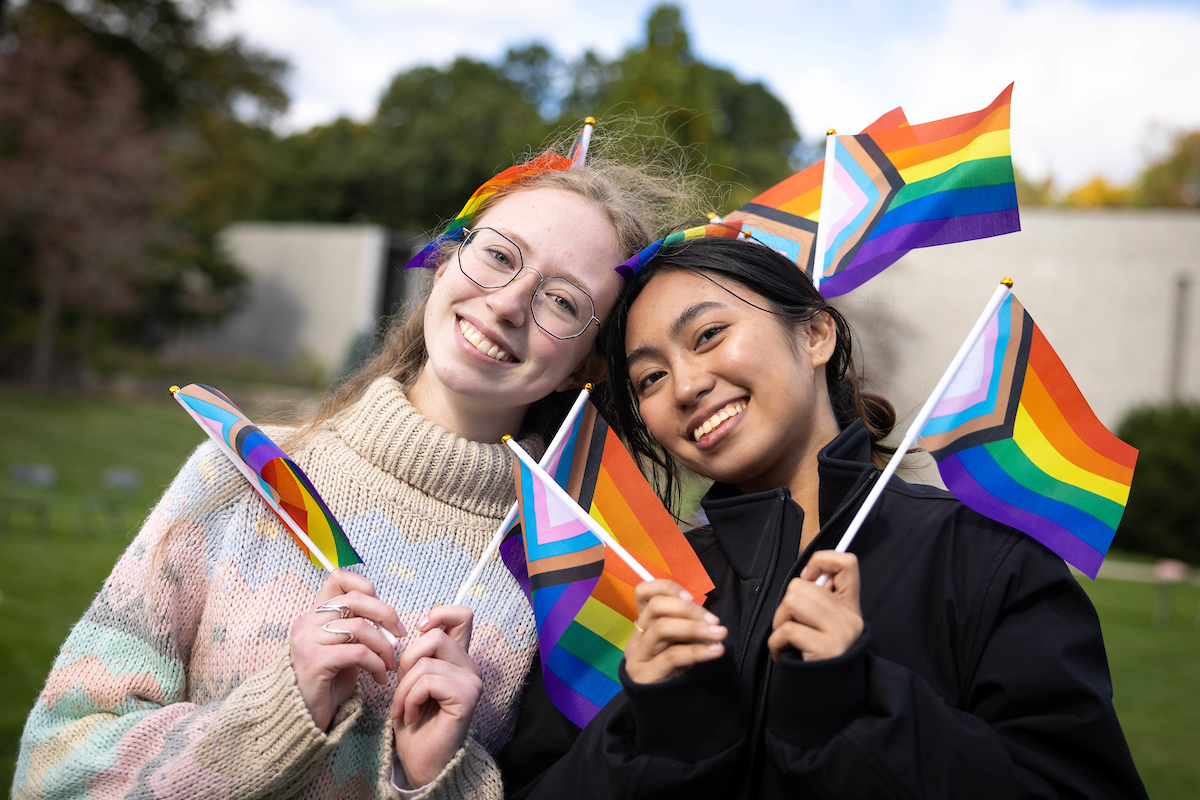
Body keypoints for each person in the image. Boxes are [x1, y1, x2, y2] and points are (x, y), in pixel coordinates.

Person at [12, 124, 713, 800]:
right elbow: (54, 767)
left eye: (562, 300)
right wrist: (281, 716)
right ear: (444, 261)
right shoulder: (243, 471)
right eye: (499, 256)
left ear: (580, 369)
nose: (506, 305)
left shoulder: (569, 573)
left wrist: (436, 776)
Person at [499, 233, 1147, 798]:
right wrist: (657, 730)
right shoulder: (647, 594)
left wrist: (863, 703)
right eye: (649, 379)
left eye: (709, 335)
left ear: (814, 333)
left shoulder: (986, 557)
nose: (687, 385)